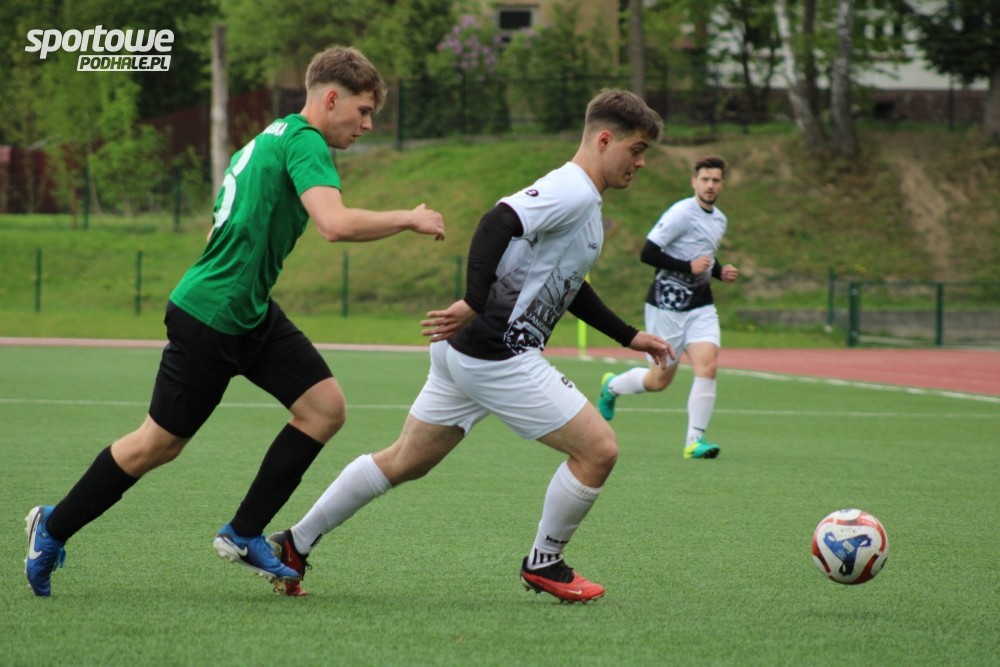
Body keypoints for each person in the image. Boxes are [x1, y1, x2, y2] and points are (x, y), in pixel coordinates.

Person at [24, 46, 446, 597]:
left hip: (248, 311)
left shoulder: (269, 136)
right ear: (331, 98)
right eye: (363, 111)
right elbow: (334, 225)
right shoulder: (306, 141)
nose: (367, 125)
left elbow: (218, 226)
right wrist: (409, 217)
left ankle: (244, 533)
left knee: (324, 409)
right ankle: (52, 526)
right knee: (157, 444)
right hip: (212, 316)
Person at [264, 89, 672, 603]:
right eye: (636, 149)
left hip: (465, 353)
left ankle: (294, 543)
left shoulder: (585, 203)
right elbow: (496, 221)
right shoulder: (572, 189)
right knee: (599, 450)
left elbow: (567, 285)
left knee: (406, 459)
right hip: (498, 355)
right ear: (605, 139)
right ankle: (545, 562)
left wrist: (629, 336)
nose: (640, 162)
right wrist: (475, 300)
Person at [597, 155, 739, 459]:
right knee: (658, 380)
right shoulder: (680, 213)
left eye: (715, 180)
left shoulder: (720, 220)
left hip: (701, 305)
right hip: (666, 306)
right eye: (705, 179)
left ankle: (694, 442)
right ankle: (612, 387)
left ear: (722, 185)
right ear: (694, 182)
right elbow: (647, 253)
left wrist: (719, 271)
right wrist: (688, 267)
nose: (710, 185)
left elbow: (704, 256)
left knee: (708, 366)